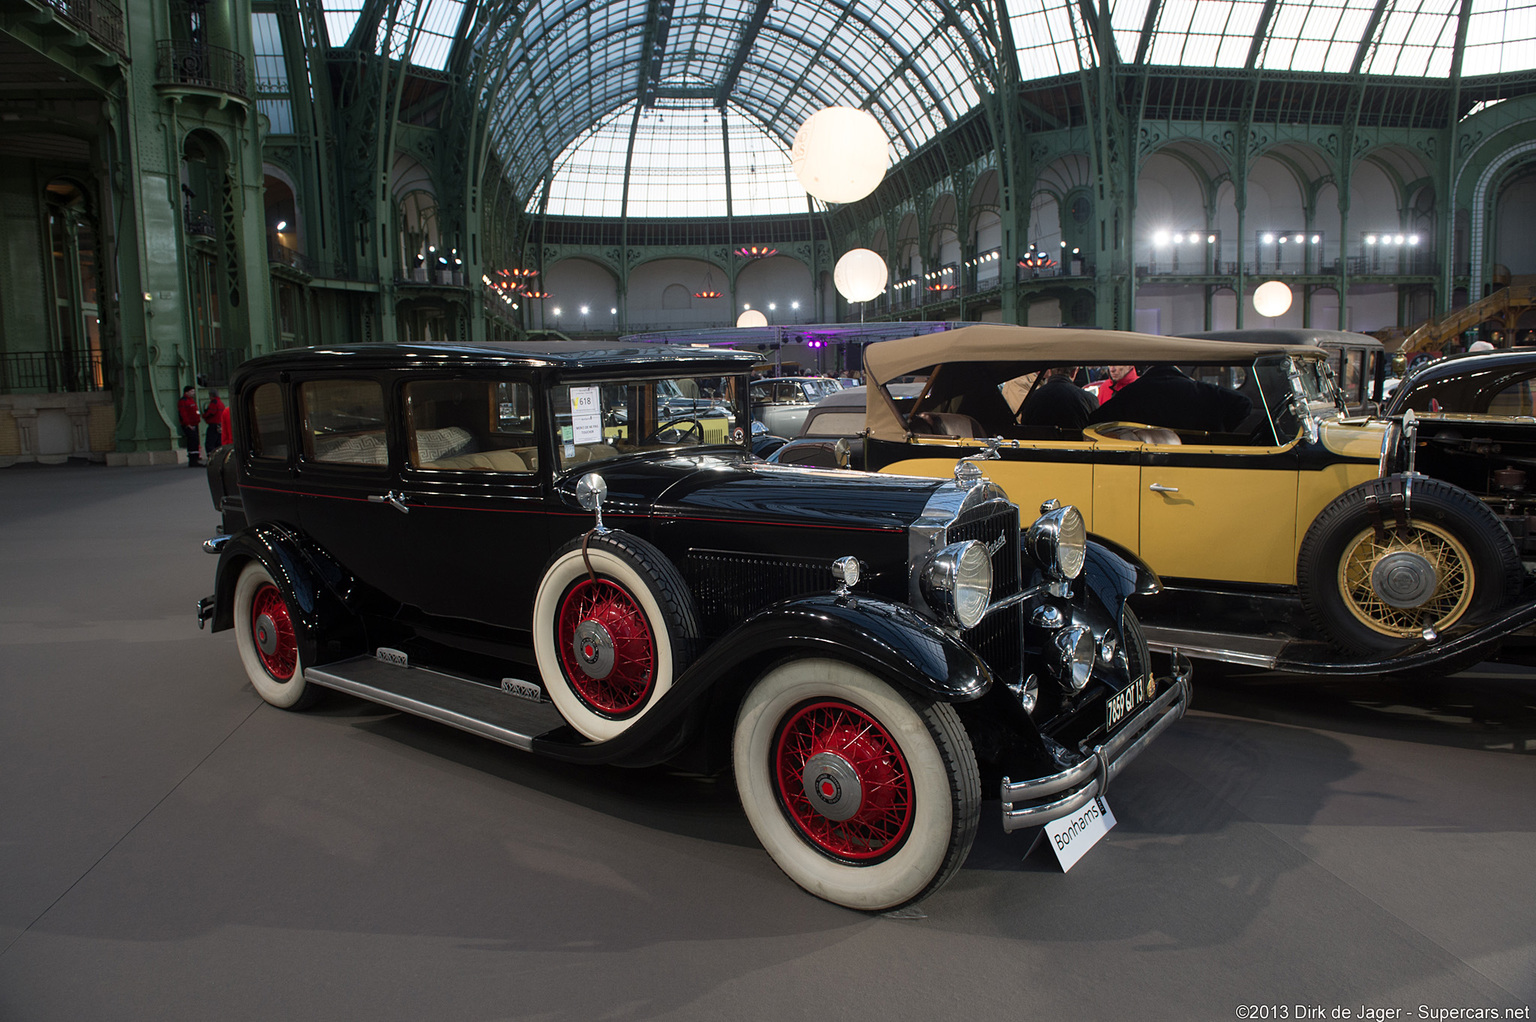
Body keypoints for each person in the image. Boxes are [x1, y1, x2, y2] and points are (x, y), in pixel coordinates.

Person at [1090, 363, 1251, 433]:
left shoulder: (1130, 393)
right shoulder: (1202, 391)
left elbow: (1096, 420)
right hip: (1199, 460)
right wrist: (1217, 431)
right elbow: (1243, 404)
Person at [1018, 366, 1098, 431]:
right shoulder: (1088, 399)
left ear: (1049, 371)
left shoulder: (1032, 398)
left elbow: (1025, 427)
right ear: (1074, 372)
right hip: (1077, 448)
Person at [178, 385, 202, 467]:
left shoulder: (191, 400)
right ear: (186, 392)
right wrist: (187, 424)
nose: (193, 393)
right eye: (192, 391)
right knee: (192, 442)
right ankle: (193, 460)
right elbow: (183, 414)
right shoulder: (183, 401)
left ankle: (195, 459)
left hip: (194, 424)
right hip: (189, 425)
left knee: (195, 442)